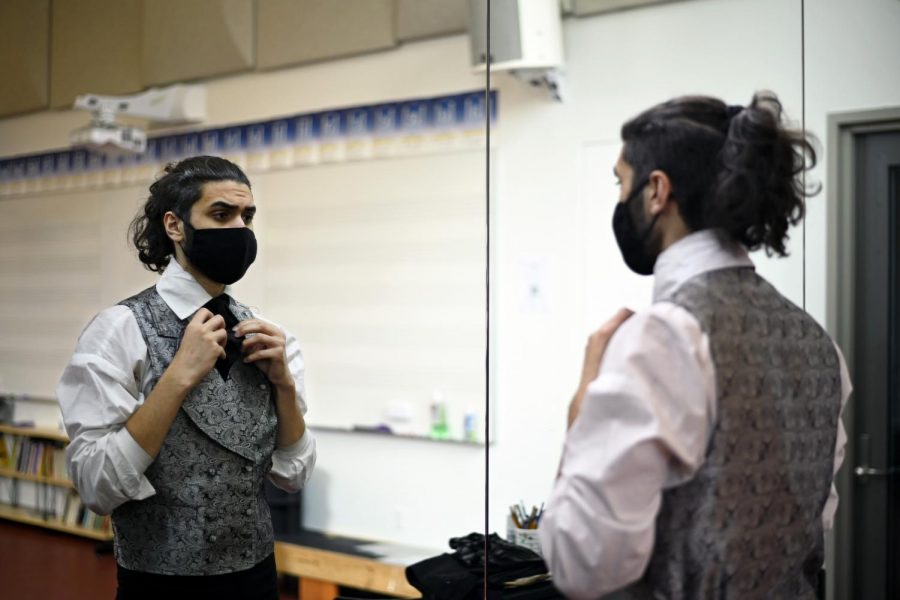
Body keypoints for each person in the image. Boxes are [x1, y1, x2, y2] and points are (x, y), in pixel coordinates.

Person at [539, 92, 849, 599]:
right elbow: (808, 521)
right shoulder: (819, 343)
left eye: (621, 182)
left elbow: (584, 565)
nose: (621, 200)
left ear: (657, 190)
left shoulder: (661, 338)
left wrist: (581, 417)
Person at [58, 155, 316, 600]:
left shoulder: (270, 336)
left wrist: (285, 386)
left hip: (257, 579)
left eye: (246, 216)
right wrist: (177, 377)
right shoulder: (119, 329)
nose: (239, 228)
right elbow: (97, 485)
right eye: (221, 214)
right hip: (158, 585)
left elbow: (293, 474)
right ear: (175, 226)